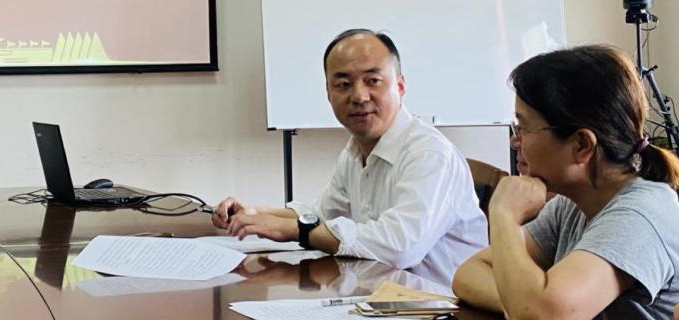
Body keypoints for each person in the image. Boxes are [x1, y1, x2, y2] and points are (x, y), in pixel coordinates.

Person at [213, 29, 487, 285]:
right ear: (328, 93)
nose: (359, 96)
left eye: (373, 81)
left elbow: (400, 248)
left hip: (441, 305)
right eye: (343, 84)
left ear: (400, 86)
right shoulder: (357, 149)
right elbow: (321, 213)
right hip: (381, 298)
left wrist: (296, 230)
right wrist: (255, 213)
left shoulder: (428, 154)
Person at [452, 45, 679, 319]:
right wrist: (519, 300)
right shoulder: (572, 204)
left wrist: (504, 216)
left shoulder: (640, 215)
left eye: (524, 128)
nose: (515, 140)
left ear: (581, 145)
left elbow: (543, 315)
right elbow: (468, 274)